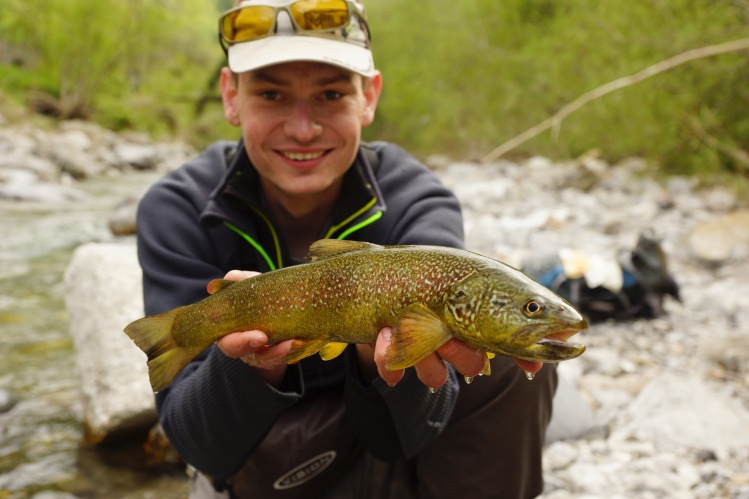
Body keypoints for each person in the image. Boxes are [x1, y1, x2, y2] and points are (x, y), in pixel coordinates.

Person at [135, 1, 558, 497]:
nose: (302, 128)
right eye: (271, 94)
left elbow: (407, 435)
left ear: (369, 97)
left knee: (501, 354)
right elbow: (198, 448)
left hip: (394, 444)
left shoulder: (418, 200)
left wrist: (376, 349)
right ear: (231, 96)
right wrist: (252, 362)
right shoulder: (176, 208)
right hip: (264, 465)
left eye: (330, 94)